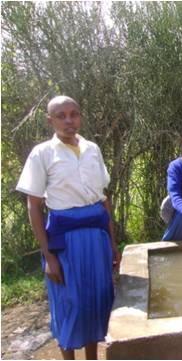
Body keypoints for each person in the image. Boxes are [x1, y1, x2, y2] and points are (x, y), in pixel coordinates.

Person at [15, 95, 121, 360]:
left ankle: (92, 357)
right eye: (61, 116)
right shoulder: (42, 153)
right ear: (50, 120)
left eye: (74, 114)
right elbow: (34, 206)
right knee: (68, 303)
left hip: (96, 238)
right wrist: (49, 256)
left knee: (96, 300)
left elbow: (102, 200)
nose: (69, 121)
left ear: (80, 117)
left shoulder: (92, 149)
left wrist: (112, 245)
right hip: (65, 243)